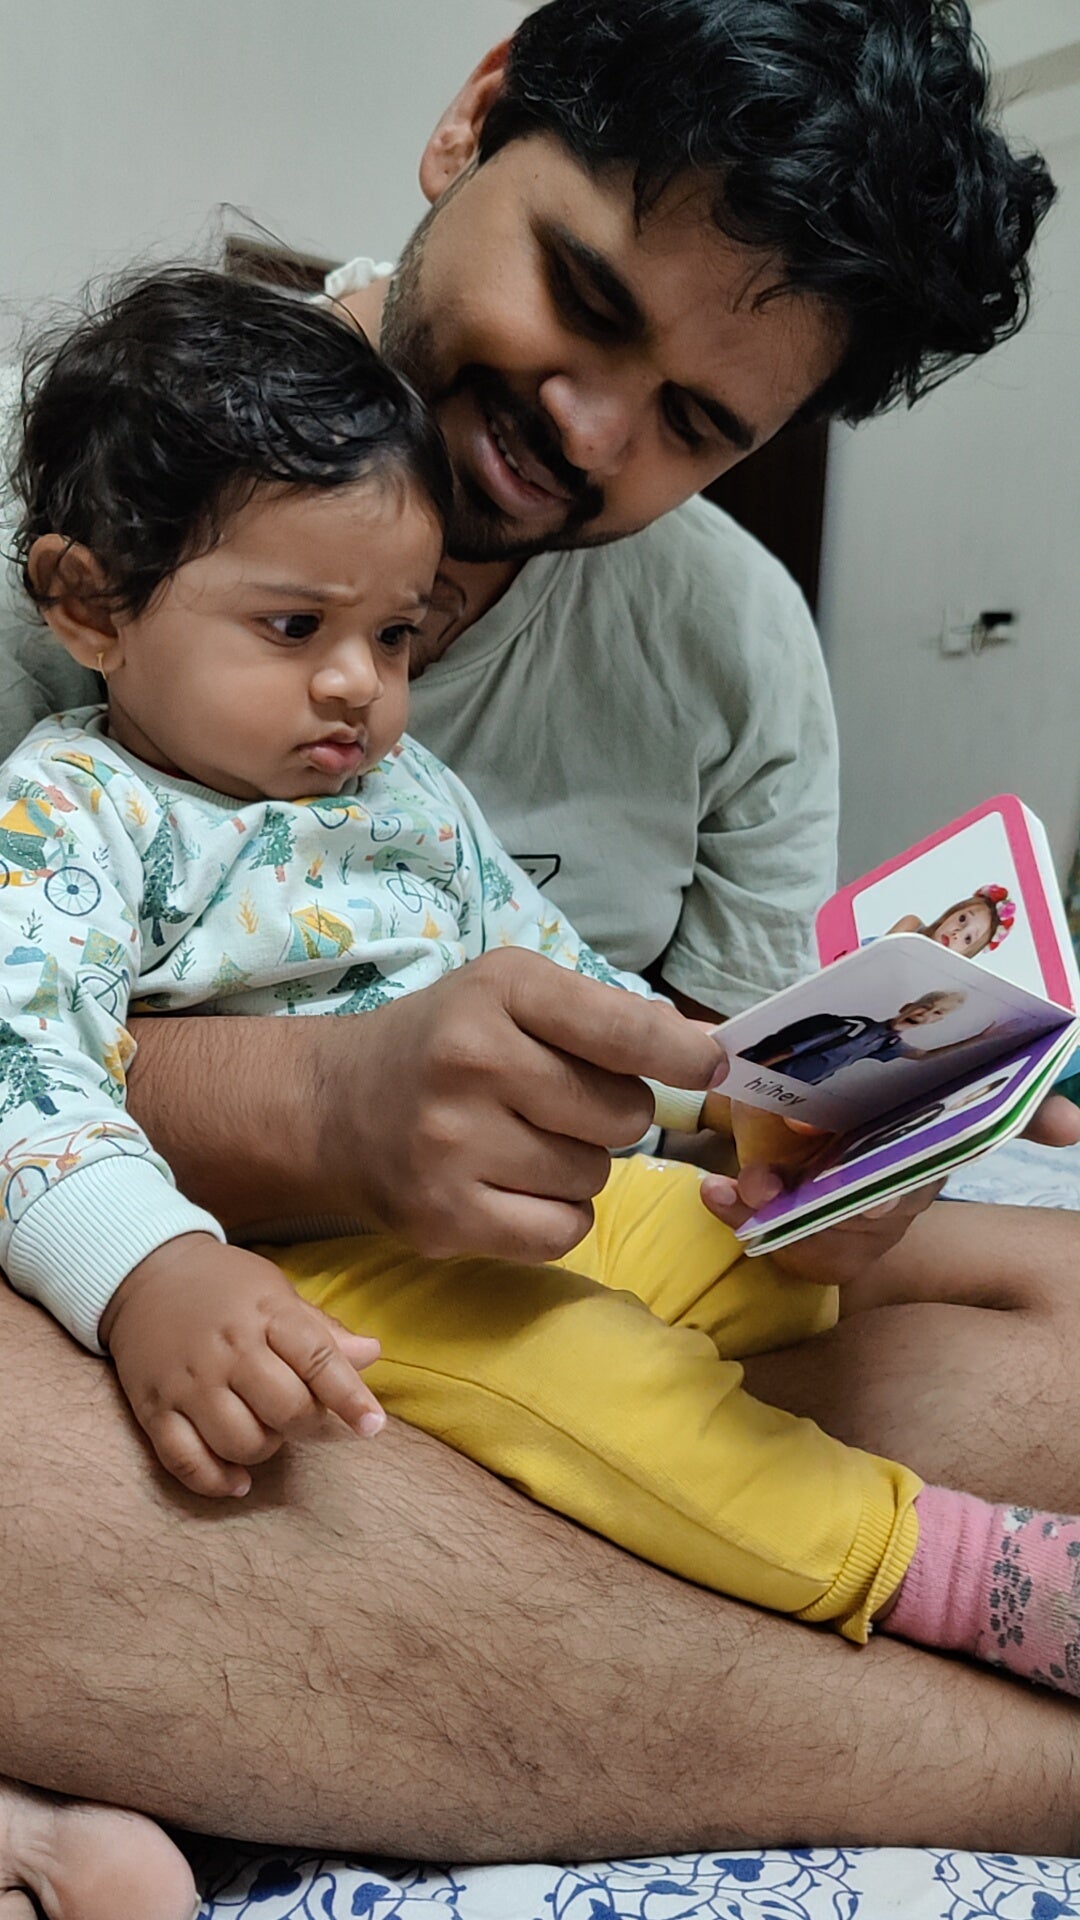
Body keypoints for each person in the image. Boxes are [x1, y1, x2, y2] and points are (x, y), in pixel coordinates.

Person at [2, 3, 1079, 1911]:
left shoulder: (737, 650)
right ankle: (987, 1749)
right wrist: (310, 1112)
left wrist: (816, 1147)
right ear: (473, 118)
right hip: (155, 1310)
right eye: (582, 299)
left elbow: (679, 1054)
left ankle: (558, 1645)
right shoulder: (92, 490)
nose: (583, 429)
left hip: (561, 1270)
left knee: (1036, 1292)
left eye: (693, 424)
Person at [739, 991, 992, 1087]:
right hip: (775, 1070)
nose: (925, 1014)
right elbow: (793, 1048)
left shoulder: (889, 1044)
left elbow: (923, 1056)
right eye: (926, 1006)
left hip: (800, 1085)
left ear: (937, 1021)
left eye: (936, 1013)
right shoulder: (857, 1026)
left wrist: (977, 1040)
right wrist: (754, 1071)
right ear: (907, 1005)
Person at [887, 886, 1015, 957]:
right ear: (953, 912)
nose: (956, 934)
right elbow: (880, 956)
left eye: (968, 939)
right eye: (962, 919)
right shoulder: (912, 927)